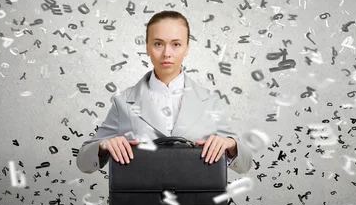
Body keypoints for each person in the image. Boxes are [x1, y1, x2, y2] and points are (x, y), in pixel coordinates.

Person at [76, 10, 253, 175]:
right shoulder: (122, 102)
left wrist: (231, 145)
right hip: (140, 203)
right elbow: (83, 163)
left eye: (176, 44)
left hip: (198, 203)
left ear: (187, 48)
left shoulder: (209, 101)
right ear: (147, 47)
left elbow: (245, 165)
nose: (167, 53)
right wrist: (103, 146)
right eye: (158, 44)